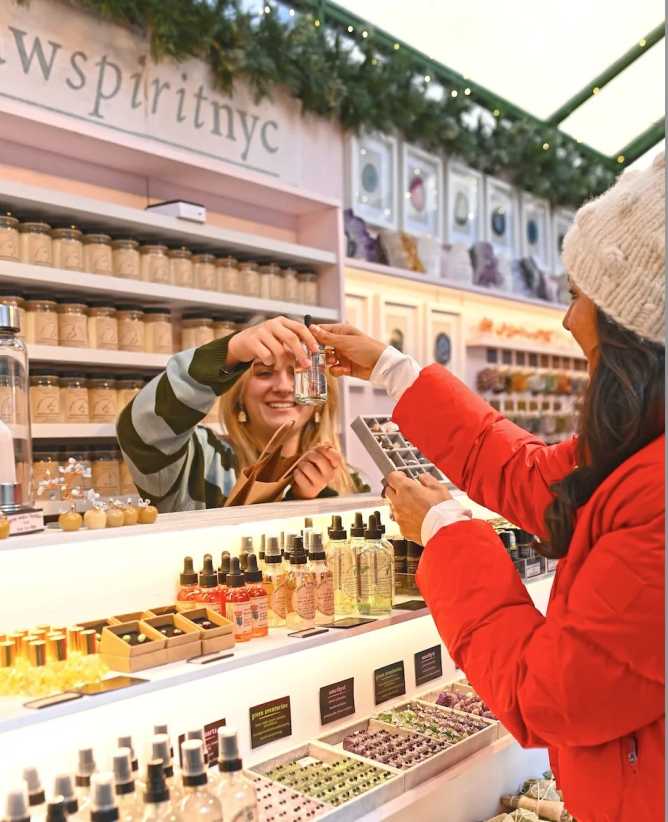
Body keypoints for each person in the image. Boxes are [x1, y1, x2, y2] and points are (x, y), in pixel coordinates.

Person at [312, 153, 665, 822]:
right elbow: (533, 476)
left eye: (577, 296)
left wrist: (446, 532)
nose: (568, 320)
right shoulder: (641, 447)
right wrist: (392, 371)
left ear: (633, 329)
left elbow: (549, 696)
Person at [117, 316, 366, 511]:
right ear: (239, 396)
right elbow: (142, 429)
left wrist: (310, 497)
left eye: (297, 373)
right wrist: (231, 351)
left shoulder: (350, 480)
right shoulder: (203, 459)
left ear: (321, 400)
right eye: (264, 372)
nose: (282, 387)